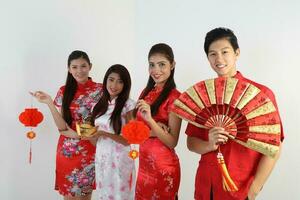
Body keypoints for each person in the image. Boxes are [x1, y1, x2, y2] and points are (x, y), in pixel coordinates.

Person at [185, 27, 284, 200]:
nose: (219, 59)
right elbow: (191, 142)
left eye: (225, 52)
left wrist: (254, 188)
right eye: (212, 54)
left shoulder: (260, 95)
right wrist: (209, 144)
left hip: (239, 186)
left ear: (237, 53)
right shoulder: (204, 95)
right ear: (207, 58)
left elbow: (274, 147)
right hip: (205, 184)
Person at [32, 50, 102, 200]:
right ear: (69, 69)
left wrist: (81, 134)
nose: (79, 71)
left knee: (84, 196)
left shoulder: (101, 90)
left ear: (90, 66)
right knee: (69, 198)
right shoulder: (64, 91)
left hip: (89, 150)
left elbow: (105, 121)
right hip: (67, 151)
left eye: (83, 66)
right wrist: (49, 103)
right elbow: (62, 127)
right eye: (74, 67)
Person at [135, 43, 182, 199]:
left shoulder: (175, 98)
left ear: (172, 65)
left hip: (163, 167)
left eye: (162, 64)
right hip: (144, 167)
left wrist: (150, 121)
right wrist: (156, 130)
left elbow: (172, 141)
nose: (156, 70)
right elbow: (135, 132)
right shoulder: (146, 92)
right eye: (152, 65)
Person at [89, 64, 135, 200]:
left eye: (120, 81)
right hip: (102, 159)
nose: (114, 85)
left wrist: (104, 133)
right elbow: (94, 142)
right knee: (104, 195)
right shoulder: (97, 106)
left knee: (120, 195)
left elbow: (129, 140)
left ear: (125, 85)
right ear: (106, 80)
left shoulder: (129, 105)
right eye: (111, 79)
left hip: (120, 160)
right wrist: (89, 135)